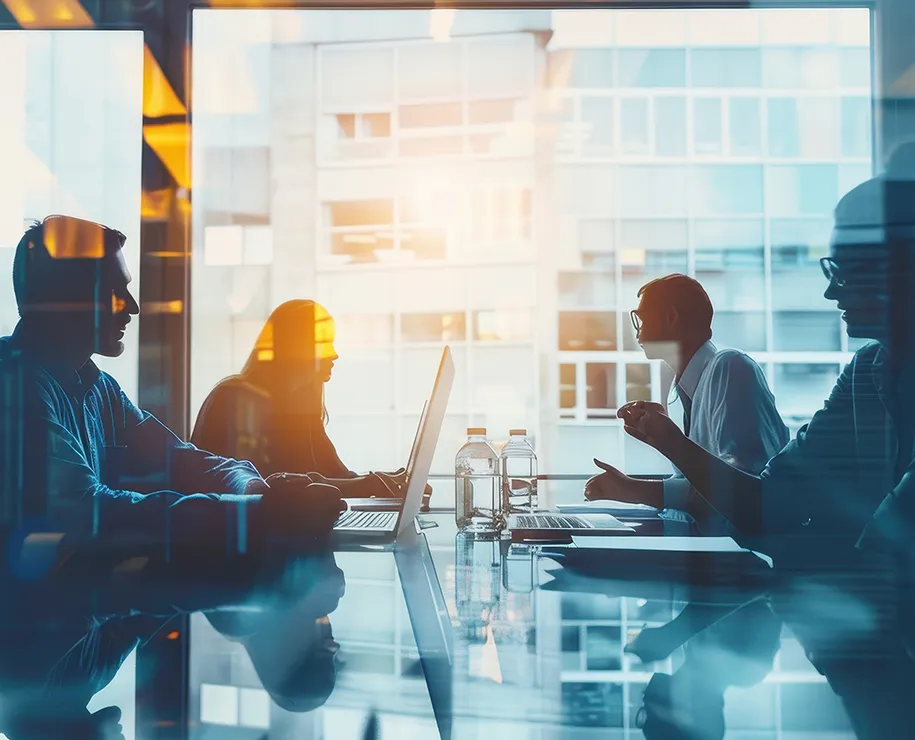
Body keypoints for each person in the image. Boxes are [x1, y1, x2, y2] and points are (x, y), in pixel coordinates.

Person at [615, 143, 915, 558]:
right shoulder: (866, 371)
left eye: (845, 270)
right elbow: (766, 505)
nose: (830, 291)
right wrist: (669, 441)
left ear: (901, 268)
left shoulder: (730, 369)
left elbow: (887, 551)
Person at [0, 215, 344, 566]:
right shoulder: (14, 386)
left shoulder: (99, 388)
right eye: (114, 293)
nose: (132, 307)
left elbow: (181, 459)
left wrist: (255, 491)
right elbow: (89, 511)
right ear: (64, 299)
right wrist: (256, 513)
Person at [585, 274, 788, 534]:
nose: (637, 328)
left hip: (744, 556)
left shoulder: (730, 368)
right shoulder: (682, 392)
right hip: (712, 549)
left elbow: (741, 491)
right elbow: (697, 489)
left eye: (641, 316)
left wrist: (632, 487)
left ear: (670, 317)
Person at [192, 300, 424, 499]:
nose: (334, 354)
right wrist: (374, 483)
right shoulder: (233, 399)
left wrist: (389, 481)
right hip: (244, 542)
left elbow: (339, 478)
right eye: (324, 343)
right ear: (297, 348)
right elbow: (279, 488)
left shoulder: (300, 410)